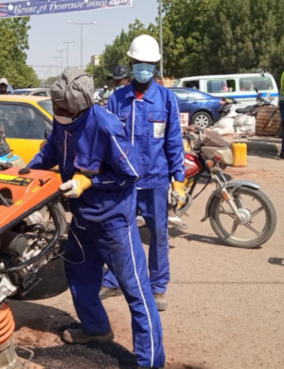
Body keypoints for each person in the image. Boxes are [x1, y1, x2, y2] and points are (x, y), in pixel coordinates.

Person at [27, 68, 164, 369]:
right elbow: (52, 148)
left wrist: (90, 182)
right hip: (81, 219)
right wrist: (27, 169)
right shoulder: (62, 121)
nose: (58, 113)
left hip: (113, 222)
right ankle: (95, 327)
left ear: (82, 107)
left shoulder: (106, 126)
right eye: (55, 107)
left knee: (136, 290)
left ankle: (151, 360)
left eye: (63, 109)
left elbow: (130, 174)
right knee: (79, 273)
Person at [102, 34, 186, 312]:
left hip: (156, 180)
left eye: (148, 64)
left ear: (155, 66)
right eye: (138, 63)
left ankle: (158, 286)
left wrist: (180, 180)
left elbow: (174, 141)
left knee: (159, 235)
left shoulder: (166, 99)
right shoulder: (117, 99)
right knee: (120, 232)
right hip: (124, 181)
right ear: (131, 63)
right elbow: (108, 141)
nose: (143, 68)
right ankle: (115, 280)